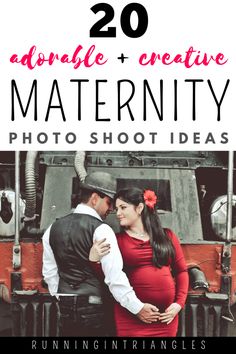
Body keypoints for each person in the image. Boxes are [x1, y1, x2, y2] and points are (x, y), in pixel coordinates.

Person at [42, 172, 159, 337]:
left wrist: (62, 296)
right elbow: (114, 276)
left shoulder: (51, 229)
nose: (111, 209)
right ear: (95, 198)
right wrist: (137, 307)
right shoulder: (101, 229)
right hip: (94, 306)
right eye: (109, 202)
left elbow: (49, 273)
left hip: (65, 306)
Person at [89, 187, 189, 337]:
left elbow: (181, 271)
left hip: (166, 318)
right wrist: (94, 260)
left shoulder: (168, 236)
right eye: (116, 209)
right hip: (131, 316)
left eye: (123, 208)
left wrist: (178, 304)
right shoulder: (117, 241)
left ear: (140, 208)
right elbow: (108, 277)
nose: (118, 214)